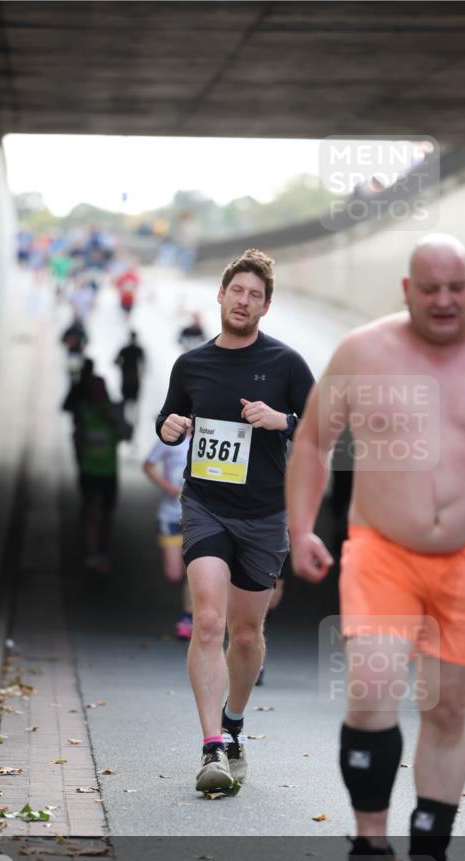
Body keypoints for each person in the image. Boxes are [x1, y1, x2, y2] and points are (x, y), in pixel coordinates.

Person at [286, 234, 465, 861]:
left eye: (456, 287)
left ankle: (428, 859)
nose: (443, 300)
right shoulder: (363, 352)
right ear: (406, 289)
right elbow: (310, 440)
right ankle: (367, 846)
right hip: (382, 550)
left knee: (446, 709)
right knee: (372, 688)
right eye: (429, 288)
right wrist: (299, 529)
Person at [156, 248, 314, 793]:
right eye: (237, 291)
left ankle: (235, 724)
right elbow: (168, 416)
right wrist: (170, 427)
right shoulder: (192, 364)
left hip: (264, 515)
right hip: (205, 507)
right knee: (207, 622)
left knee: (246, 635)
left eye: (255, 295)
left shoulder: (287, 364)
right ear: (220, 295)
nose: (243, 301)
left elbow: (322, 427)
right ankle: (211, 749)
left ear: (265, 307)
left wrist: (282, 420)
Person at [63, 359, 119, 574]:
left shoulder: (113, 410)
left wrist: (110, 418)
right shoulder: (83, 412)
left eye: (101, 389)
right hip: (89, 470)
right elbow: (77, 437)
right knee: (91, 511)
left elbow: (126, 433)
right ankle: (91, 554)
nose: (99, 393)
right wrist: (79, 461)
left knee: (106, 513)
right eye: (95, 389)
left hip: (109, 471)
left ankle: (103, 549)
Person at [142, 436, 193, 640]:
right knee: (174, 573)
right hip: (171, 515)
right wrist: (168, 487)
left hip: (199, 517)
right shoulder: (171, 438)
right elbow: (148, 465)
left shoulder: (209, 435)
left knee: (195, 568)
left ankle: (188, 617)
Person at [115, 331, 146, 429]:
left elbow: (115, 361)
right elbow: (143, 364)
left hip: (126, 379)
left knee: (126, 403)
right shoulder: (138, 350)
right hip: (135, 380)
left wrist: (122, 366)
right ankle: (133, 424)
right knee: (134, 404)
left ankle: (126, 424)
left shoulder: (124, 350)